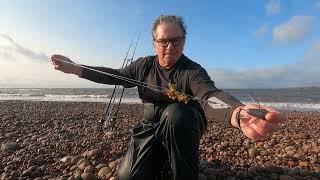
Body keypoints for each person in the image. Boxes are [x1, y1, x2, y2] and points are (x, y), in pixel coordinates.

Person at [51, 15, 285, 180]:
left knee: (176, 114)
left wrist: (236, 112)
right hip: (151, 126)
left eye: (177, 40)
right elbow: (115, 76)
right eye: (164, 41)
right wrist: (77, 69)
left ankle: (184, 170)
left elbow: (209, 96)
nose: (170, 46)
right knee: (127, 176)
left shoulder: (193, 71)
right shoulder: (143, 65)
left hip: (183, 125)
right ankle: (161, 156)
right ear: (155, 43)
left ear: (184, 41)